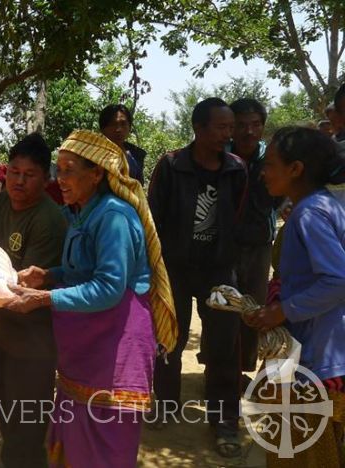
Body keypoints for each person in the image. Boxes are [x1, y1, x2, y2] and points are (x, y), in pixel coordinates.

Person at [6, 130, 178, 468]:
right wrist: (51, 274)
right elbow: (84, 268)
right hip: (88, 348)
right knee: (77, 434)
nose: (61, 179)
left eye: (69, 170)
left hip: (116, 348)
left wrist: (44, 297)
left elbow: (110, 286)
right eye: (59, 169)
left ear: (97, 173)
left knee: (107, 441)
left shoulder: (113, 216)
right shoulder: (82, 211)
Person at [148, 98, 247, 457]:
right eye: (221, 127)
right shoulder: (172, 165)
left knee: (224, 344)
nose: (228, 134)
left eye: (230, 127)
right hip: (175, 268)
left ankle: (224, 421)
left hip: (219, 270)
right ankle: (166, 402)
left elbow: (238, 216)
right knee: (168, 339)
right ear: (199, 128)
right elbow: (153, 218)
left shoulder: (237, 169)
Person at [246, 126, 345, 467]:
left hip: (314, 358)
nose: (263, 171)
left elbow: (336, 280)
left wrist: (282, 311)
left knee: (303, 453)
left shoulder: (310, 213)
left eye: (270, 163)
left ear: (295, 169)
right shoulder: (320, 205)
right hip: (314, 350)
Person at [0, 133, 67, 468]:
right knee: (8, 426)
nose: (18, 181)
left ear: (46, 180)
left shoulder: (49, 220)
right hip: (2, 337)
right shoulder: (2, 201)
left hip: (34, 348)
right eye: (14, 171)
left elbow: (20, 287)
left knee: (26, 436)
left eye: (29, 175)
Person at [227, 98, 280, 379]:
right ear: (232, 128)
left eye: (255, 125)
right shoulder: (220, 158)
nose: (249, 131)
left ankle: (242, 369)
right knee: (225, 307)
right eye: (242, 125)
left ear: (263, 127)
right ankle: (221, 367)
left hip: (259, 246)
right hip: (225, 246)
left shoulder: (271, 158)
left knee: (254, 308)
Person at [99, 104, 148, 184]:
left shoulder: (135, 156)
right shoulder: (92, 155)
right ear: (102, 129)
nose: (118, 129)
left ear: (129, 127)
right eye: (113, 124)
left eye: (123, 124)